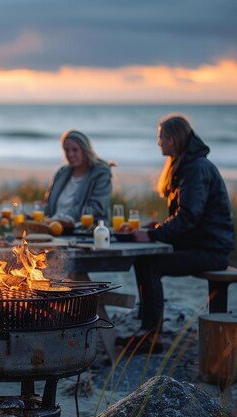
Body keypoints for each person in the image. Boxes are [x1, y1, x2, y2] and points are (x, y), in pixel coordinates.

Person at [119, 114, 234, 353]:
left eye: (161, 137)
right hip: (200, 243)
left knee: (150, 264)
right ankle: (148, 328)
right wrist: (159, 227)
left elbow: (189, 216)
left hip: (211, 250)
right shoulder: (187, 165)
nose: (159, 142)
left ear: (173, 139)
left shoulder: (196, 168)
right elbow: (188, 216)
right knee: (144, 259)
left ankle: (151, 336)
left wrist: (153, 235)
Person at [44, 129, 113, 224]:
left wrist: (68, 217)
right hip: (55, 229)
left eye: (75, 150)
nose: (70, 154)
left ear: (85, 150)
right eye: (66, 150)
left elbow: (97, 208)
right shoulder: (62, 172)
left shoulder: (100, 173)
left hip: (85, 232)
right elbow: (49, 206)